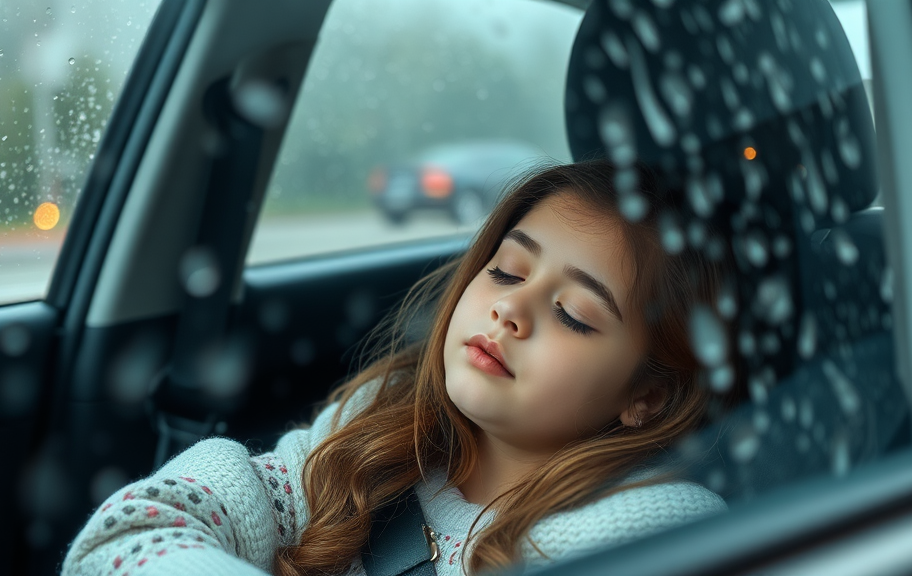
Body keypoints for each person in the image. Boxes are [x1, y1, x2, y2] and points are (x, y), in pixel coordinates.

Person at [62, 160, 730, 576]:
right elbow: (136, 532)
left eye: (573, 313)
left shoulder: (652, 539)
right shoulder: (360, 443)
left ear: (645, 395)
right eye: (505, 270)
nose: (510, 311)